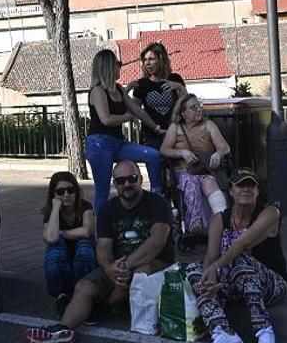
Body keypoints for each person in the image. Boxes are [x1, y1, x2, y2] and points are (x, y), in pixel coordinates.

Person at [25, 160, 173, 343]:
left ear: (140, 179)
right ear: (114, 184)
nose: (126, 184)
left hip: (155, 261)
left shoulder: (157, 203)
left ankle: (102, 309)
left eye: (131, 178)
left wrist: (124, 266)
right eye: (120, 181)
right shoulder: (108, 209)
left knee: (138, 275)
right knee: (84, 286)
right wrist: (108, 267)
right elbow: (103, 245)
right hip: (119, 265)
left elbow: (158, 241)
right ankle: (63, 331)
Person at [186, 168, 287, 343]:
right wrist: (211, 280)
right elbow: (211, 256)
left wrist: (217, 268)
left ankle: (264, 330)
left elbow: (243, 243)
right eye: (240, 185)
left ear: (258, 191)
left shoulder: (270, 213)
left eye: (251, 185)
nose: (246, 189)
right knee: (194, 268)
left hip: (271, 284)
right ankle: (222, 331)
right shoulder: (219, 219)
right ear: (231, 191)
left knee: (241, 259)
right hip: (231, 285)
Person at [85, 49, 165, 214]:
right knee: (102, 189)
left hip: (118, 143)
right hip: (99, 144)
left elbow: (138, 110)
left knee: (153, 155)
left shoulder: (119, 89)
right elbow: (106, 119)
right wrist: (127, 117)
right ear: (108, 66)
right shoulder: (97, 90)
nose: (120, 67)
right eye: (118, 64)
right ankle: (101, 230)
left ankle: (157, 196)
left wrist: (156, 128)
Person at [160, 93, 231, 238]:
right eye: (194, 107)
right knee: (191, 181)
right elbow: (164, 149)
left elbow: (225, 148)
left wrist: (218, 154)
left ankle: (224, 224)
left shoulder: (208, 125)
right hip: (183, 170)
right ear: (183, 112)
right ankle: (194, 227)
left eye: (199, 106)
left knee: (211, 184)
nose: (199, 109)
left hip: (205, 170)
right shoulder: (176, 128)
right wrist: (182, 152)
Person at [42, 171, 95, 315]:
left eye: (70, 190)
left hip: (84, 256)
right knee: (54, 248)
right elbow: (50, 238)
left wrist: (62, 233)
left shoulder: (85, 207)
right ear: (53, 194)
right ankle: (62, 296)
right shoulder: (52, 211)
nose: (66, 195)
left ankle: (80, 295)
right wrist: (55, 208)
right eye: (60, 191)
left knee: (84, 244)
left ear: (76, 191)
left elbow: (87, 232)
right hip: (62, 255)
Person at [126, 42, 186, 152]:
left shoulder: (175, 79)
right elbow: (134, 110)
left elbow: (186, 105)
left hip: (175, 132)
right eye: (145, 60)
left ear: (161, 60)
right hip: (151, 135)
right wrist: (126, 91)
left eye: (152, 59)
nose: (147, 63)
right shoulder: (141, 84)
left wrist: (179, 87)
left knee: (176, 166)